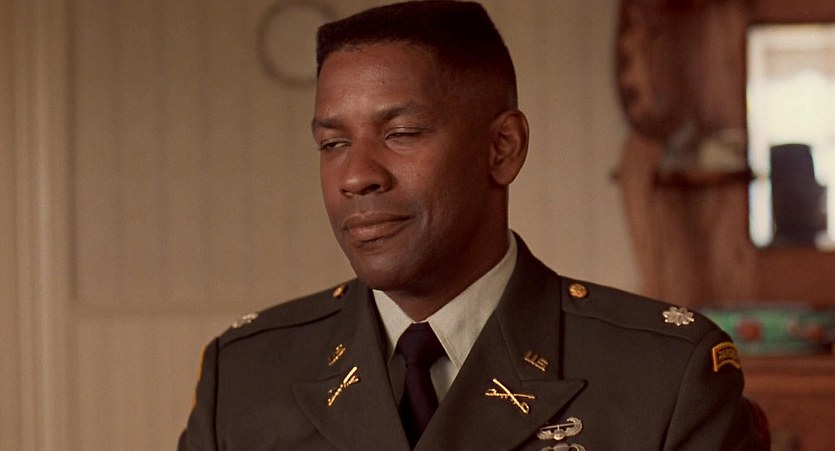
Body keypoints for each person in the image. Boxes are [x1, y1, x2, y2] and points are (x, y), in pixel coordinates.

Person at [179, 2, 766, 450]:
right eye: (333, 143)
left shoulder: (664, 377)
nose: (355, 176)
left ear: (502, 148)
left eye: (401, 133)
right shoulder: (245, 374)